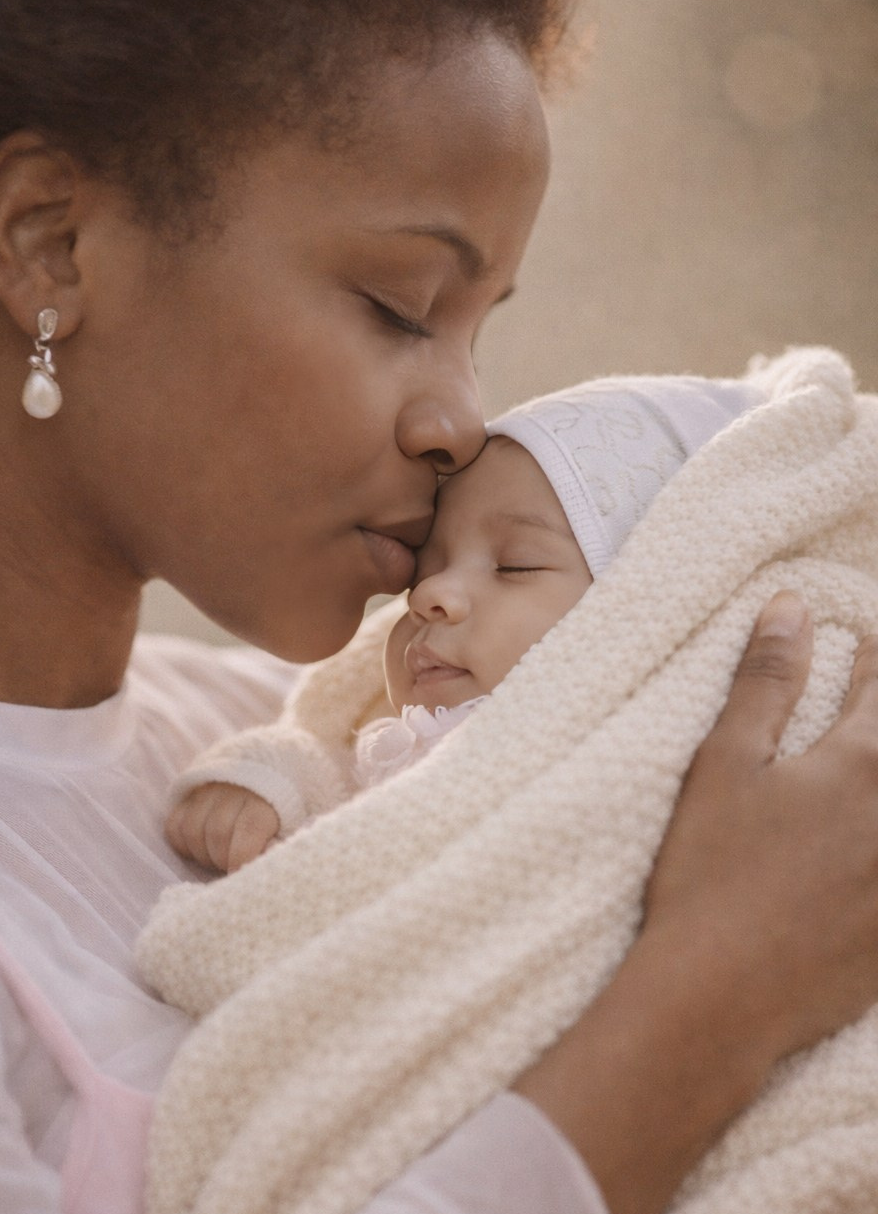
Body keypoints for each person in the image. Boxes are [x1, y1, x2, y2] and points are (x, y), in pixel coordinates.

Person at [0, 0, 878, 1214]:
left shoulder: (297, 757)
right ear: (53, 244)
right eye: (404, 304)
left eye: (483, 328)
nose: (463, 421)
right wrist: (706, 1005)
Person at [167, 373, 763, 872]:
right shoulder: (397, 746)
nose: (431, 592)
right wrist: (268, 783)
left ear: (645, 617)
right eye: (426, 566)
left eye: (514, 564)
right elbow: (326, 759)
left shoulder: (641, 776)